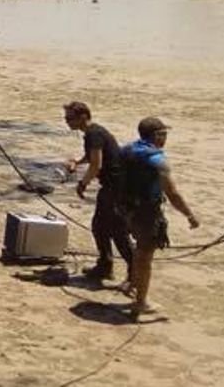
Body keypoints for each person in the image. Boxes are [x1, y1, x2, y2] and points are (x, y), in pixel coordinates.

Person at [120, 117, 200, 319]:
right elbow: (173, 194)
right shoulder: (157, 161)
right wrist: (190, 215)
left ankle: (132, 283)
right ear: (157, 136)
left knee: (138, 250)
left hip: (126, 209)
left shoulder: (127, 150)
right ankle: (141, 302)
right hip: (147, 213)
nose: (166, 138)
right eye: (164, 134)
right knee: (145, 256)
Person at [63, 101, 133, 281]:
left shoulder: (94, 134)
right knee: (100, 226)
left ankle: (135, 271)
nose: (67, 121)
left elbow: (96, 164)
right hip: (112, 186)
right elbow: (93, 156)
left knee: (118, 231)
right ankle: (105, 265)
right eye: (66, 118)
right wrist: (77, 162)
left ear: (83, 117)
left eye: (70, 118)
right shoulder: (92, 134)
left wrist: (83, 183)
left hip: (116, 187)